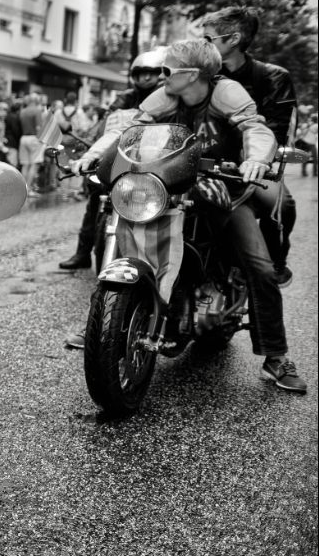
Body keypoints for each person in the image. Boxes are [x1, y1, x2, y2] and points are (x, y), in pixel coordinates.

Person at [73, 39, 305, 394]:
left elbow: (254, 128)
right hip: (166, 187)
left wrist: (256, 158)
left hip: (226, 189)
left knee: (259, 265)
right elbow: (127, 131)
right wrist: (94, 154)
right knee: (126, 234)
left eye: (167, 70)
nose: (159, 76)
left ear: (192, 75)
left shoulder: (225, 92)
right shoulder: (166, 98)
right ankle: (104, 322)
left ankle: (276, 356)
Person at [201, 7, 297, 287]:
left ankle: (276, 261)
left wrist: (253, 159)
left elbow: (275, 131)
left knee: (282, 204)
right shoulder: (200, 74)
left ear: (234, 39)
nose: (202, 44)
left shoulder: (273, 77)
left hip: (250, 166)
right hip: (201, 161)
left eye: (208, 39)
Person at [59, 48, 166, 272]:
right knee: (96, 199)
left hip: (154, 161)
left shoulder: (167, 98)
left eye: (152, 73)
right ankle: (82, 253)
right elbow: (110, 126)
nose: (146, 78)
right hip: (122, 156)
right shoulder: (124, 97)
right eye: (141, 73)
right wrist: (92, 149)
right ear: (134, 75)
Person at [18, 92, 44, 195]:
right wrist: (42, 140)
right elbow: (39, 127)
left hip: (24, 138)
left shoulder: (23, 111)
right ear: (37, 100)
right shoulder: (37, 111)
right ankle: (29, 189)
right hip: (34, 138)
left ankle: (23, 189)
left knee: (25, 164)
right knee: (34, 164)